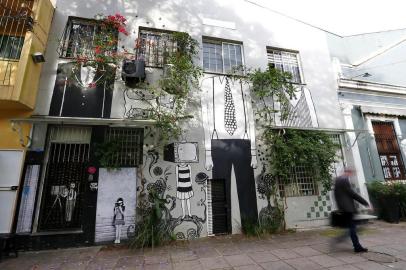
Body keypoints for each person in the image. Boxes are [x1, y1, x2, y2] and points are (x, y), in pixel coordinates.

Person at [333, 168, 369, 253]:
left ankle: (350, 242)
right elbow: (352, 194)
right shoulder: (344, 180)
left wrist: (340, 206)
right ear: (347, 172)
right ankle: (357, 247)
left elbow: (336, 195)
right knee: (352, 227)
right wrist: (365, 203)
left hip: (344, 208)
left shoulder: (338, 180)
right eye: (350, 173)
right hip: (348, 208)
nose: (351, 175)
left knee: (350, 226)